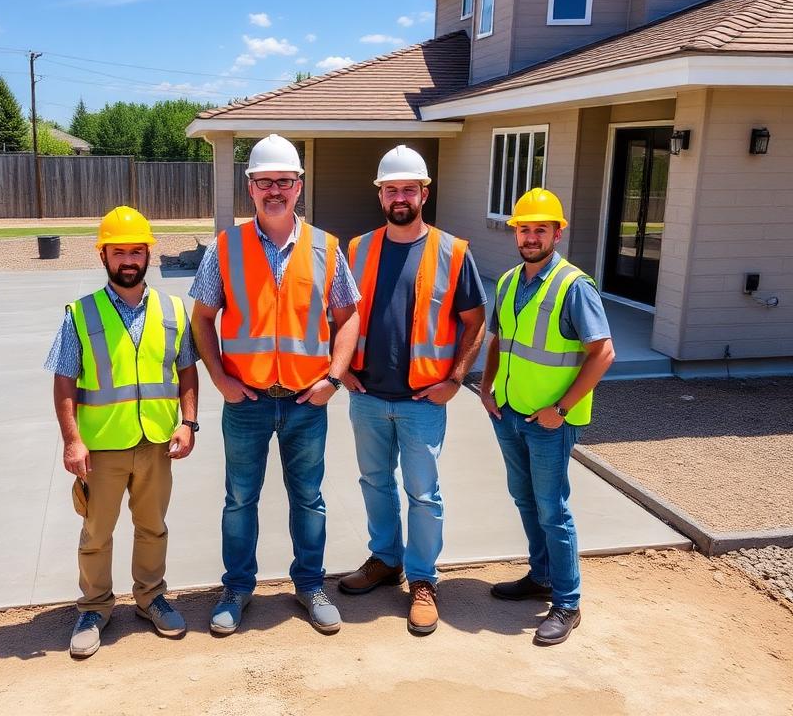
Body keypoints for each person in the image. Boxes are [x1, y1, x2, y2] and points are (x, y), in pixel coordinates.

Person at [189, 134, 360, 635]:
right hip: (247, 401)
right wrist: (220, 380)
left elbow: (348, 318)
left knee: (308, 498)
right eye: (265, 181)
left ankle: (310, 586)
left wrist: (334, 378)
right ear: (251, 188)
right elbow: (201, 319)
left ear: (299, 185)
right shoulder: (226, 247)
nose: (275, 190)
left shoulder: (327, 248)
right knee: (240, 499)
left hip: (308, 402)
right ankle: (237, 589)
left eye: (284, 180)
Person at [337, 145, 487, 635]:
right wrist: (341, 370)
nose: (399, 197)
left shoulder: (452, 251)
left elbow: (474, 322)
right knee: (374, 483)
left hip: (424, 400)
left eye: (408, 189)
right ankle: (385, 561)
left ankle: (423, 580)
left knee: (424, 494)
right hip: (368, 397)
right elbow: (335, 316)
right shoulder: (357, 250)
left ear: (424, 192)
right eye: (391, 189)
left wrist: (455, 379)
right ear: (380, 194)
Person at [45, 206, 200, 658]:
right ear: (104, 257)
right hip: (103, 447)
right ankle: (94, 607)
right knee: (97, 532)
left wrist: (188, 424)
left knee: (152, 527)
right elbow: (63, 380)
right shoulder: (81, 313)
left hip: (156, 442)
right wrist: (72, 440)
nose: (129, 260)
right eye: (119, 252)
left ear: (147, 254)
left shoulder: (173, 310)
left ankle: (151, 598)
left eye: (136, 251)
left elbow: (186, 371)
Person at [479, 188, 615, 646]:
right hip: (511, 412)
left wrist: (560, 410)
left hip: (549, 422)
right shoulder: (508, 281)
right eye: (524, 228)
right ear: (515, 232)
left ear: (559, 232)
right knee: (525, 498)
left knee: (553, 509)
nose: (531, 236)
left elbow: (604, 353)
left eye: (541, 229)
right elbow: (499, 340)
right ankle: (540, 576)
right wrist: (485, 386)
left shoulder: (573, 286)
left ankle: (568, 602)